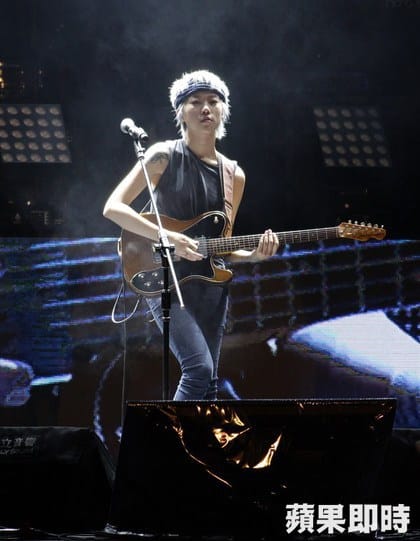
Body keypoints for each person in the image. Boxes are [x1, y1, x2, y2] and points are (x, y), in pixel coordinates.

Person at [103, 69, 278, 400]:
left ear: (224, 110)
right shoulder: (162, 155)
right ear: (180, 112)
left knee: (209, 383)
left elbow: (221, 245)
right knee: (198, 370)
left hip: (211, 287)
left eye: (213, 101)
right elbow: (113, 207)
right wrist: (168, 237)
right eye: (195, 102)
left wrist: (254, 254)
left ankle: (195, 437)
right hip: (164, 278)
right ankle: (167, 435)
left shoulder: (234, 175)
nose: (205, 108)